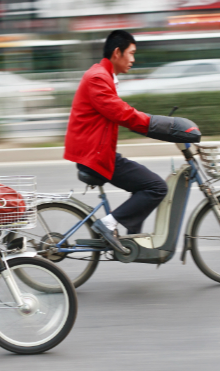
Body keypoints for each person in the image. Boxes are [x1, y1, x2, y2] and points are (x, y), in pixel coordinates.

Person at [64, 30, 168, 253]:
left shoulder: (103, 76)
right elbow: (122, 113)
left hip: (98, 153)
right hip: (95, 157)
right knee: (156, 187)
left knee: (144, 184)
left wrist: (151, 127)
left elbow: (120, 115)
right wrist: (157, 125)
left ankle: (134, 242)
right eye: (131, 53)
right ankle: (108, 224)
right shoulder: (98, 78)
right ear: (117, 52)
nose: (133, 59)